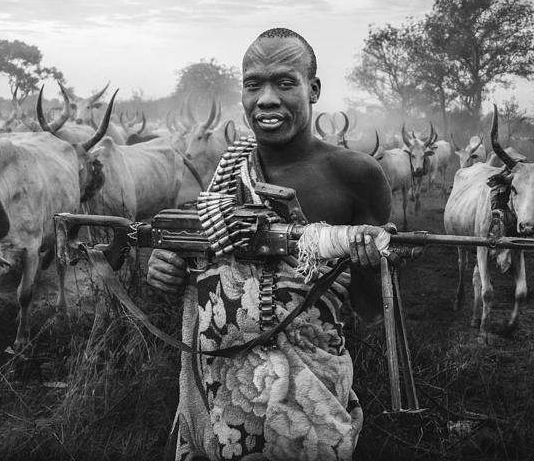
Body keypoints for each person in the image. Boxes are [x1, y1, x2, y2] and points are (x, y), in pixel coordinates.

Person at [147, 27, 393, 460]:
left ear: (313, 89)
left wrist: (370, 263)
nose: (266, 99)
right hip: (221, 386)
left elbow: (372, 310)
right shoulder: (230, 173)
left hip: (310, 400)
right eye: (253, 84)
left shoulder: (358, 175)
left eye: (284, 82)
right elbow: (208, 265)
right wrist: (167, 268)